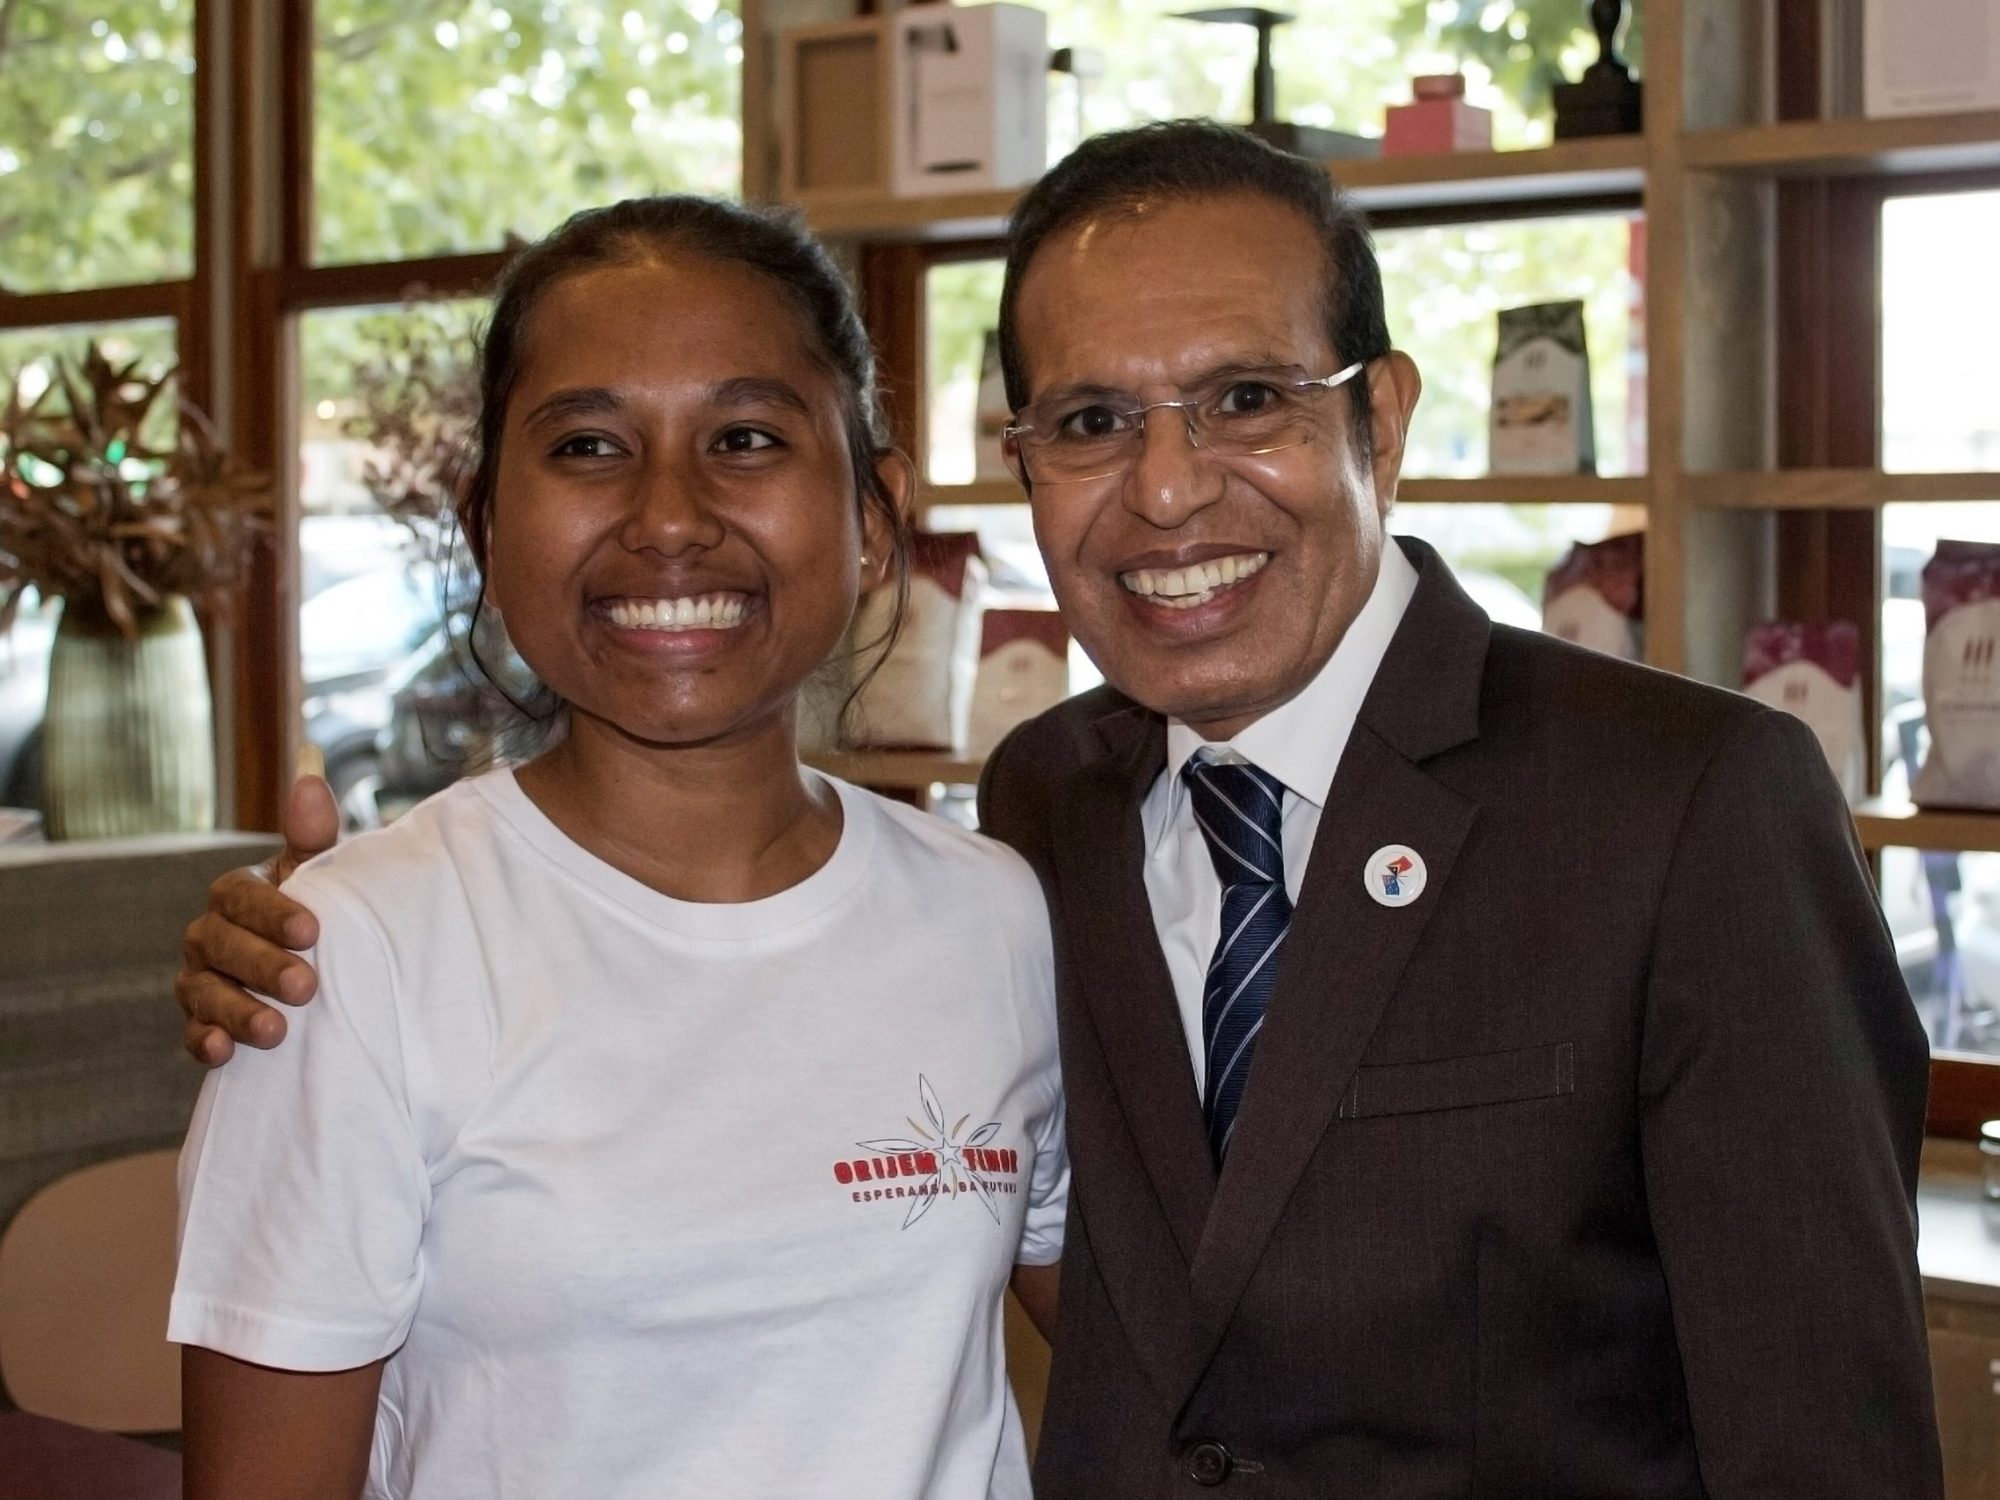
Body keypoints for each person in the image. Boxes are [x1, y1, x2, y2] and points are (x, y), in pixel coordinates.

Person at [179, 123, 1942, 1499]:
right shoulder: (1050, 814)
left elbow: (1823, 1443)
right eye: (1092, 420)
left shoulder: (1686, 803)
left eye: (1246, 398)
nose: (1169, 491)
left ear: (1381, 419)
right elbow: (1142, 1303)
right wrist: (333, 945)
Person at [168, 195, 1065, 1500]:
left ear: (877, 514)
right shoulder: (345, 958)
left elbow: (1175, 1366)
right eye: (588, 446)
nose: (667, 515)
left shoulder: (998, 919)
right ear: (484, 524)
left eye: (747, 438)